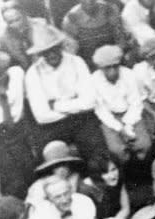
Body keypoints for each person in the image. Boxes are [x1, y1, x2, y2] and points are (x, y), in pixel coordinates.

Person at [24, 24, 108, 166]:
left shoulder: (76, 62)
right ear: (39, 54)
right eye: (45, 52)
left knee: (97, 152)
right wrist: (75, 103)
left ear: (61, 46)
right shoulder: (33, 73)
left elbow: (89, 102)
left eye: (54, 48)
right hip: (53, 125)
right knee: (49, 157)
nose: (51, 54)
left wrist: (56, 105)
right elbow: (42, 116)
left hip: (82, 120)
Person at [91, 45, 151, 165]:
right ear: (100, 68)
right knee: (116, 150)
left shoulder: (129, 74)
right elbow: (101, 110)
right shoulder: (93, 80)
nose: (112, 71)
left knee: (144, 144)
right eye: (107, 68)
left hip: (132, 114)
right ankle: (126, 175)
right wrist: (119, 128)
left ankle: (143, 171)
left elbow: (136, 103)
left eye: (115, 66)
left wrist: (128, 125)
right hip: (110, 119)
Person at [62, 0, 128, 69]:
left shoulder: (108, 9)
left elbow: (121, 39)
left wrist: (115, 57)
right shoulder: (72, 18)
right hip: (88, 63)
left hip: (113, 59)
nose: (89, 1)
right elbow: (72, 52)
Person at [89, 155, 130, 219]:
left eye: (113, 169)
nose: (112, 175)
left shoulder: (119, 182)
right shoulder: (91, 190)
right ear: (97, 175)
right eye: (105, 172)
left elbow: (125, 209)